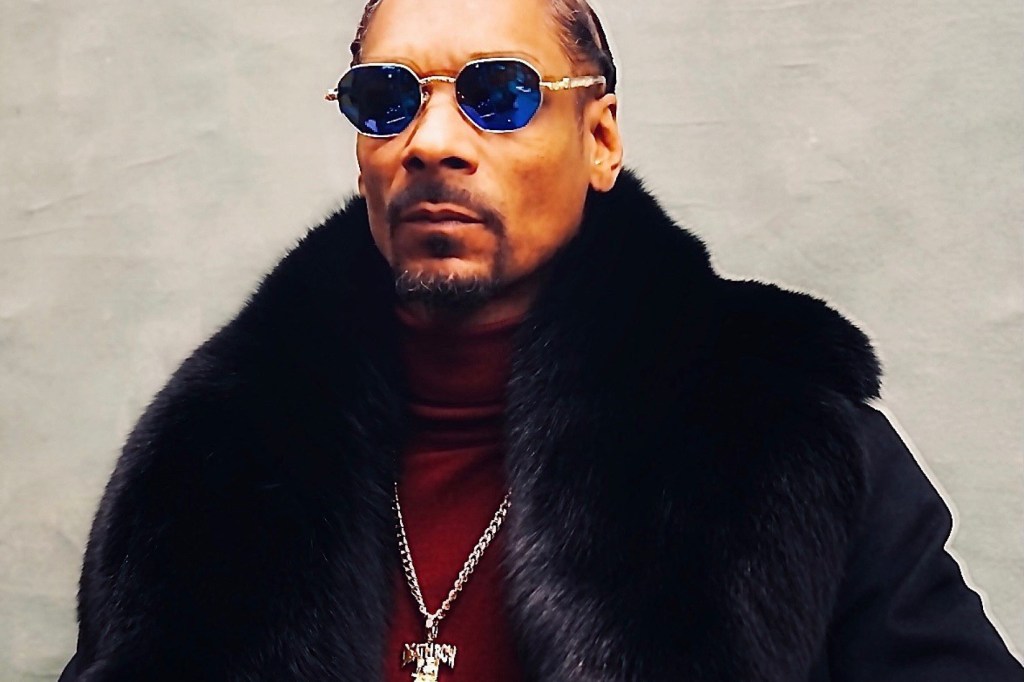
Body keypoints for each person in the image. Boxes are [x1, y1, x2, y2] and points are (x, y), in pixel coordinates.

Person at [60, 0, 1022, 680]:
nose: (431, 141)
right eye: (387, 98)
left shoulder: (779, 435)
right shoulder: (207, 465)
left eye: (500, 93)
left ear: (599, 140)